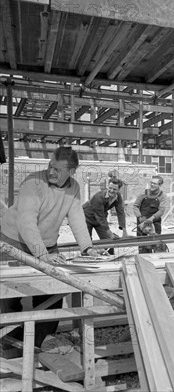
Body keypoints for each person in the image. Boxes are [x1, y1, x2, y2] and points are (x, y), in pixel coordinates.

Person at [0, 147, 99, 349]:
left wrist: (87, 248)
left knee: (52, 294)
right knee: (11, 296)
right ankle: (8, 344)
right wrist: (43, 255)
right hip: (13, 242)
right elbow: (26, 222)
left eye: (58, 170)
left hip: (46, 244)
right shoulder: (32, 183)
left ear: (71, 172)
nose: (52, 172)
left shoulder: (74, 188)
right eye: (50, 166)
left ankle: (38, 345)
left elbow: (77, 218)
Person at [83, 177, 128, 249]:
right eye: (110, 188)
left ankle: (110, 258)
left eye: (114, 189)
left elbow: (121, 212)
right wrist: (110, 233)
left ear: (119, 190)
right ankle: (86, 257)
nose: (111, 191)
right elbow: (100, 217)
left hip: (99, 219)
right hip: (86, 217)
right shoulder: (99, 197)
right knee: (86, 242)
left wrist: (124, 231)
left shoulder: (118, 196)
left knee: (108, 241)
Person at [133, 175, 169, 254]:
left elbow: (161, 210)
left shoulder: (162, 196)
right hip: (142, 224)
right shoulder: (143, 194)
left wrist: (151, 219)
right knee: (143, 248)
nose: (152, 185)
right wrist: (139, 217)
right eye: (151, 183)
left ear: (159, 185)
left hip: (155, 225)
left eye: (155, 183)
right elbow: (135, 206)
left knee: (157, 247)